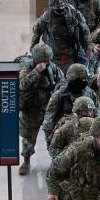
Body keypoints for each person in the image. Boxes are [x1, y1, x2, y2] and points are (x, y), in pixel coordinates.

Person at [18, 43, 64, 176]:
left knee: (54, 136)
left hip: (49, 108)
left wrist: (57, 92)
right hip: (32, 110)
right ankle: (26, 161)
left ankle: (56, 162)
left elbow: (62, 81)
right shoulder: (26, 68)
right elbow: (23, 85)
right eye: (45, 60)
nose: (48, 63)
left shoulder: (52, 68)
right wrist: (36, 72)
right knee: (28, 138)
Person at [31, 0, 91, 74]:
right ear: (52, 6)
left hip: (72, 52)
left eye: (62, 6)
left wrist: (89, 46)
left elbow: (85, 30)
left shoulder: (73, 13)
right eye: (57, 7)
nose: (61, 9)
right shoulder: (46, 17)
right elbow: (36, 33)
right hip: (54, 54)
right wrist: (33, 51)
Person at [43, 63, 99, 146]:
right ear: (73, 79)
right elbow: (48, 120)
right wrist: (50, 141)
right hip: (64, 137)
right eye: (82, 79)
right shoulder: (59, 96)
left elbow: (97, 116)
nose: (85, 82)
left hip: (86, 137)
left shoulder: (90, 94)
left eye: (85, 79)